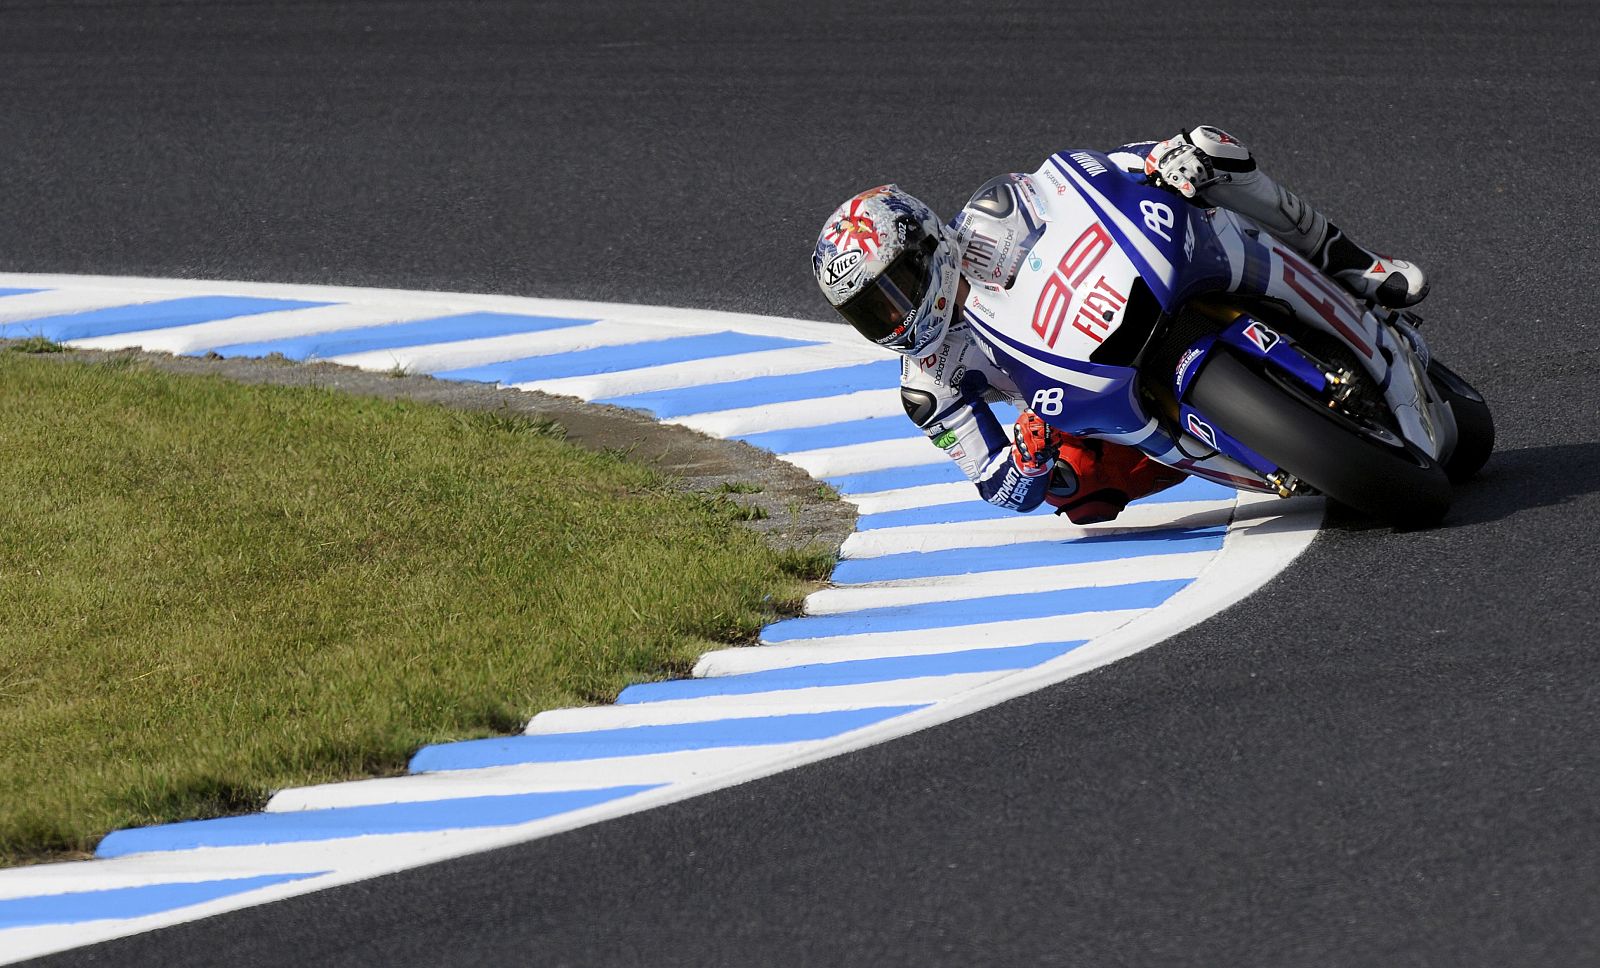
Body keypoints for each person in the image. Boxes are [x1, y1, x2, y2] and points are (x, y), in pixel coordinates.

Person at [810, 126, 1428, 524]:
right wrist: (1026, 463)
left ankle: (1352, 263)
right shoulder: (928, 384)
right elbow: (995, 485)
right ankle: (1272, 457)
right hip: (1089, 405)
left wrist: (1158, 160)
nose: (896, 315)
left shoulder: (994, 213)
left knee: (1208, 151)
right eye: (873, 310)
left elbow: (1084, 175)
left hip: (1137, 287)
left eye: (896, 290)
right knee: (1071, 492)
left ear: (926, 247)